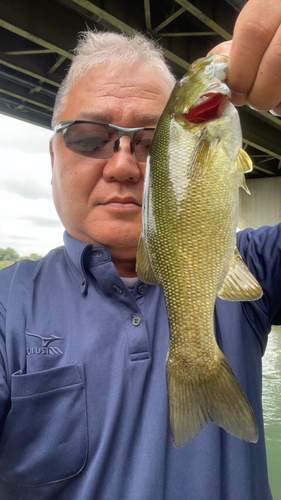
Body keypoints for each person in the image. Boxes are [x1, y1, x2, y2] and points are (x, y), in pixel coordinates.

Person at [0, 0, 280, 498]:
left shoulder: (254, 265)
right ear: (52, 156)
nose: (125, 166)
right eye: (88, 138)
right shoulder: (7, 307)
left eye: (151, 141)